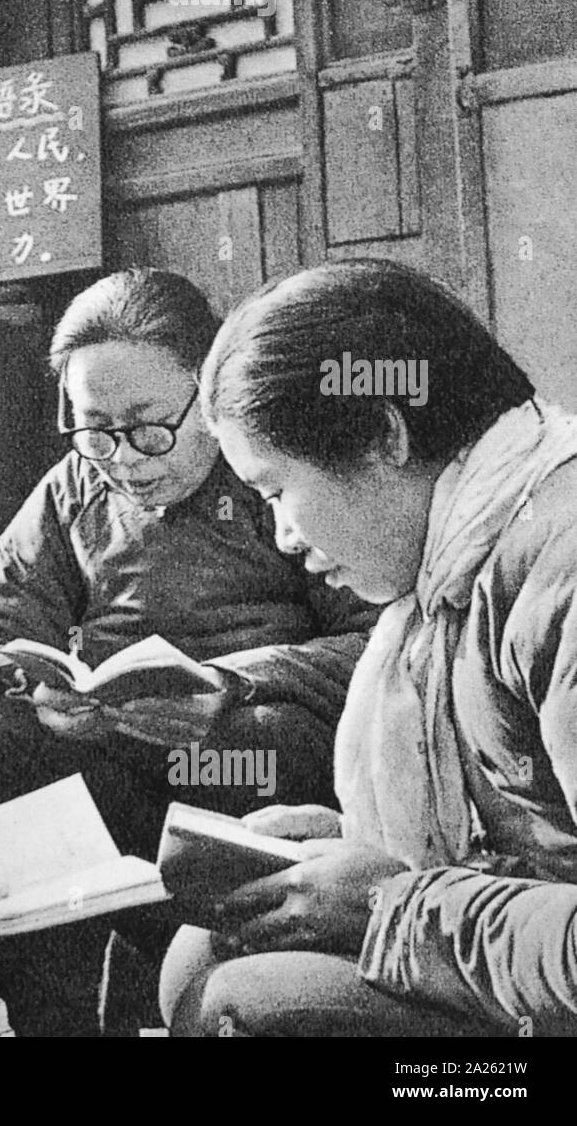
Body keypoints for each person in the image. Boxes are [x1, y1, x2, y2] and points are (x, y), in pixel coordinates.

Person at [0, 268, 380, 1036]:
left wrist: (229, 683)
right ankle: (58, 1015)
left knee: (268, 746)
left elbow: (381, 640)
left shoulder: (272, 474)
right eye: (94, 427)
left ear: (209, 392)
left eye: (148, 426)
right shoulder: (74, 488)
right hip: (109, 747)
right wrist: (28, 687)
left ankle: (193, 976)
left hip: (251, 752)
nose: (124, 457)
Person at [161, 258, 577, 1037]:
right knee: (203, 952)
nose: (284, 536)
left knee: (252, 1006)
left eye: (280, 492)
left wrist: (394, 903)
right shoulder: (459, 564)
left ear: (384, 433)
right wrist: (350, 852)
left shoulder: (562, 569)